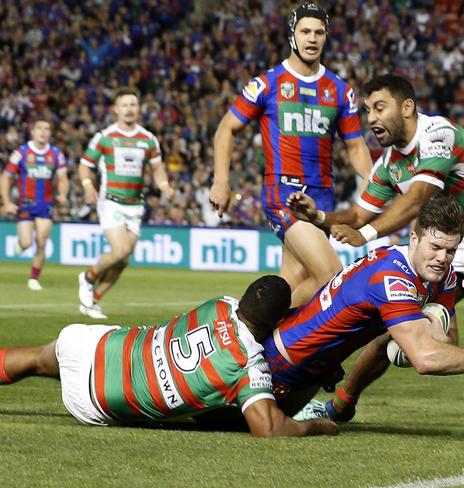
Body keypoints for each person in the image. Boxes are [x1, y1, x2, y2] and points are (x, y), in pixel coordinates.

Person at [288, 74, 464, 446]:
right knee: (391, 319)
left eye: (379, 107)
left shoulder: (440, 134)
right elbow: (356, 217)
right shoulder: (387, 164)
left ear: (407, 107)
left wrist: (367, 235)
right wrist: (320, 218)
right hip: (450, 244)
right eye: (367, 110)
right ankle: (341, 405)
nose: (371, 118)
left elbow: (419, 198)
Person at [265, 194, 464, 422]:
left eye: (450, 251)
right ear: (414, 239)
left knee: (393, 334)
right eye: (435, 247)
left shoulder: (444, 277)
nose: (441, 258)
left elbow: (443, 339)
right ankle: (338, 405)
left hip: (312, 373)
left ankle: (341, 405)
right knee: (248, 424)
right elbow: (426, 360)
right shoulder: (392, 278)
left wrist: (429, 330)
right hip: (282, 368)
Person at [0, 276, 338, 438]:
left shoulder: (219, 303)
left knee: (30, 359)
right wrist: (320, 427)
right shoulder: (249, 364)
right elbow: (268, 430)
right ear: (278, 321)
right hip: (96, 402)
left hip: (95, 346)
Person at [209, 2, 372, 306]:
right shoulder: (267, 84)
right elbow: (225, 129)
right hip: (283, 193)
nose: (312, 38)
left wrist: (370, 181)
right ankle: (250, 331)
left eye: (319, 32)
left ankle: (264, 343)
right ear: (292, 36)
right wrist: (222, 180)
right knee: (333, 277)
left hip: (322, 198)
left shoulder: (339, 90)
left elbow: (355, 145)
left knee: (293, 289)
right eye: (305, 31)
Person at [77, 87, 174, 320]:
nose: (129, 109)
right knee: (120, 250)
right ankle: (87, 277)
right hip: (111, 201)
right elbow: (84, 165)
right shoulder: (105, 137)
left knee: (124, 260)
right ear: (116, 110)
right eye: (125, 105)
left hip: (135, 205)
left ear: (138, 109)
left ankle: (93, 302)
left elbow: (158, 169)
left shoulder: (148, 139)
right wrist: (88, 186)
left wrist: (164, 186)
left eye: (133, 104)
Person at [0, 118, 69, 290]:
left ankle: (34, 278)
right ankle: (21, 245)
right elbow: (6, 176)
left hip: (45, 205)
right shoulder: (21, 152)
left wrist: (63, 194)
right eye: (39, 128)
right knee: (27, 242)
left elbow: (62, 177)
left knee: (42, 241)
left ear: (50, 133)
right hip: (25, 205)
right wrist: (7, 202)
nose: (43, 132)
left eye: (47, 129)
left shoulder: (55, 154)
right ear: (32, 131)